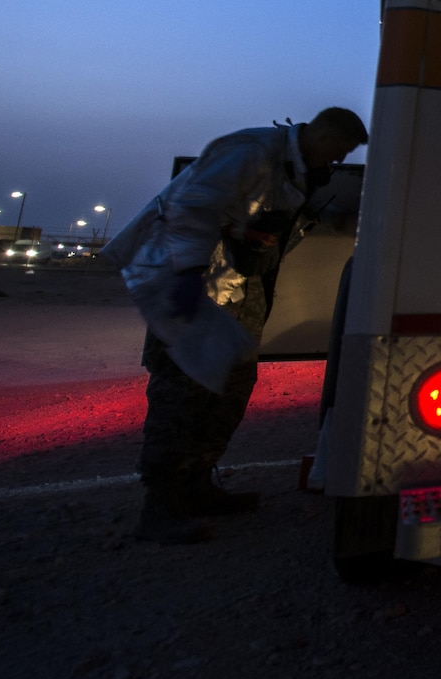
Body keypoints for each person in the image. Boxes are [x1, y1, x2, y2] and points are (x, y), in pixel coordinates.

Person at [100, 107, 369, 544]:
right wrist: (187, 274)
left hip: (239, 286)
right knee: (181, 393)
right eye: (337, 151)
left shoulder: (297, 168)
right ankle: (161, 505)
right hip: (192, 282)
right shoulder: (251, 151)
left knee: (232, 385)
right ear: (321, 134)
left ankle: (198, 484)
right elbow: (191, 207)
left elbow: (270, 217)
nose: (336, 161)